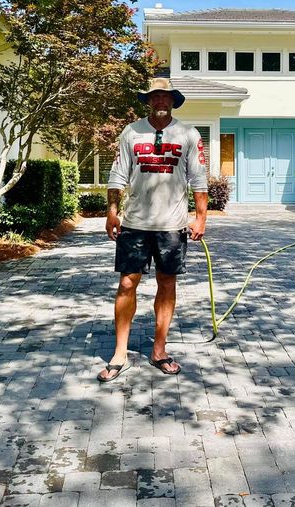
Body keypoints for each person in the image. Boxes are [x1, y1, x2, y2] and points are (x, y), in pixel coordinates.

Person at [97, 78, 208, 382]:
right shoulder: (132, 132)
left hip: (172, 226)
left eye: (165, 97)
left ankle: (159, 349)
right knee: (127, 285)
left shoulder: (187, 133)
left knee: (167, 283)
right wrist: (112, 212)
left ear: (173, 101)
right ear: (148, 101)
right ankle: (120, 353)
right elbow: (118, 173)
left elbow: (198, 179)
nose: (160, 102)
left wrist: (200, 218)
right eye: (154, 97)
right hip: (135, 223)